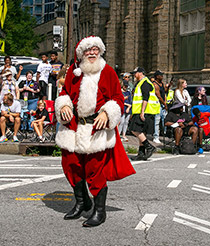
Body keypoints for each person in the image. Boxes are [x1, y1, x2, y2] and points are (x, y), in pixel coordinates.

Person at [55, 36, 135, 227]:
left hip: (96, 129)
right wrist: (63, 105)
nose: (92, 53)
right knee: (70, 166)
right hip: (74, 127)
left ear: (100, 51)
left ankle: (100, 211)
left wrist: (108, 113)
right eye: (88, 50)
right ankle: (82, 203)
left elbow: (118, 98)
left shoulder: (107, 71)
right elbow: (64, 93)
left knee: (94, 170)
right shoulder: (75, 73)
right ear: (81, 53)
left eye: (95, 49)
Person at [129, 67, 159, 161]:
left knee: (134, 130)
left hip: (144, 111)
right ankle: (141, 153)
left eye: (135, 73)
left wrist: (142, 112)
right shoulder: (140, 83)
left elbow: (145, 98)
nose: (134, 75)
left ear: (141, 73)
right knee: (141, 132)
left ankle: (149, 146)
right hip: (140, 111)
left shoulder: (145, 83)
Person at [152, 70, 166, 144]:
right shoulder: (155, 84)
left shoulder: (162, 83)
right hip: (157, 104)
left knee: (164, 120)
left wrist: (168, 86)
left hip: (162, 104)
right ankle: (156, 136)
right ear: (157, 76)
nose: (162, 77)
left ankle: (164, 134)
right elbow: (158, 95)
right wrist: (164, 103)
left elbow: (164, 92)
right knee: (157, 121)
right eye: (161, 75)